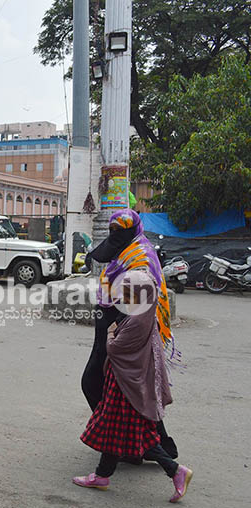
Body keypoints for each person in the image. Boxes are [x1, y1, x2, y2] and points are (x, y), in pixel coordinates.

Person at [73, 270, 192, 502]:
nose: (123, 299)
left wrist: (109, 334)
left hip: (125, 386)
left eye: (128, 295)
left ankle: (176, 470)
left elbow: (115, 349)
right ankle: (102, 476)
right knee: (116, 432)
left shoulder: (137, 320)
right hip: (128, 383)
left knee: (131, 435)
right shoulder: (144, 313)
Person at [82, 209, 178, 460]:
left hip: (126, 331)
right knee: (127, 391)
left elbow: (142, 303)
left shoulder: (142, 256)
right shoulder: (125, 250)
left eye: (119, 230)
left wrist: (118, 336)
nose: (115, 235)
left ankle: (145, 448)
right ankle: (150, 446)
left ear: (133, 230)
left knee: (106, 385)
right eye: (112, 230)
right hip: (111, 327)